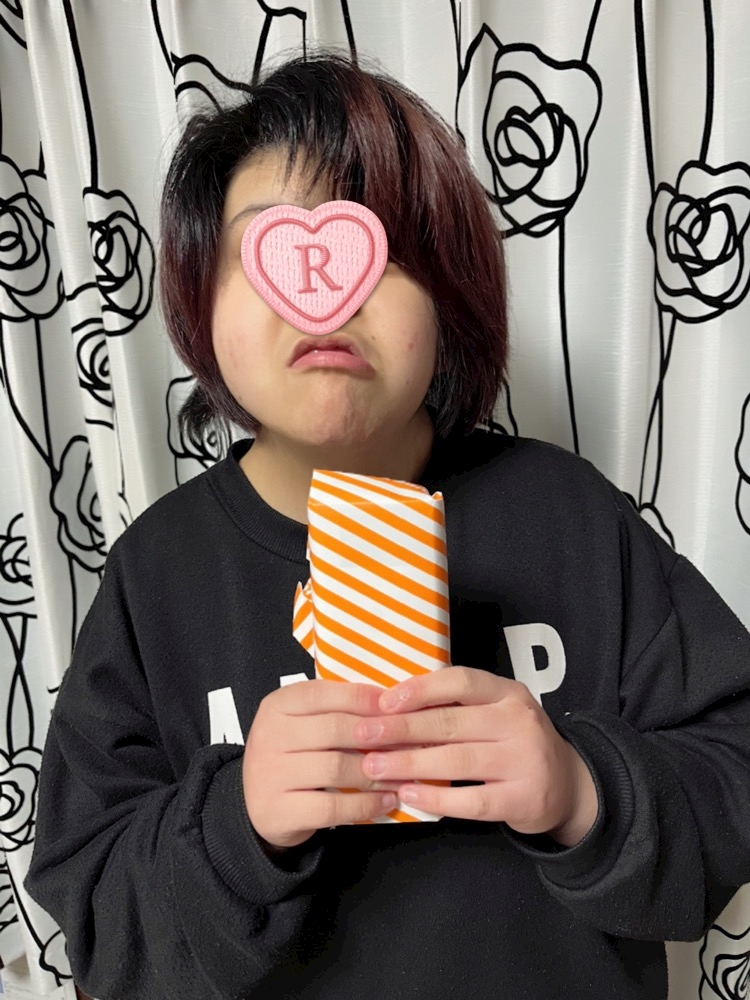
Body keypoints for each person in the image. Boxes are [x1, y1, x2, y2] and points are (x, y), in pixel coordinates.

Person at [25, 53, 750, 1000]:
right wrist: (237, 826)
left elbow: (735, 769)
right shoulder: (155, 577)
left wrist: (583, 792)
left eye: (375, 250)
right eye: (269, 250)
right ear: (201, 301)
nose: (324, 292)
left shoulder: (569, 514)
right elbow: (94, 915)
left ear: (448, 298)